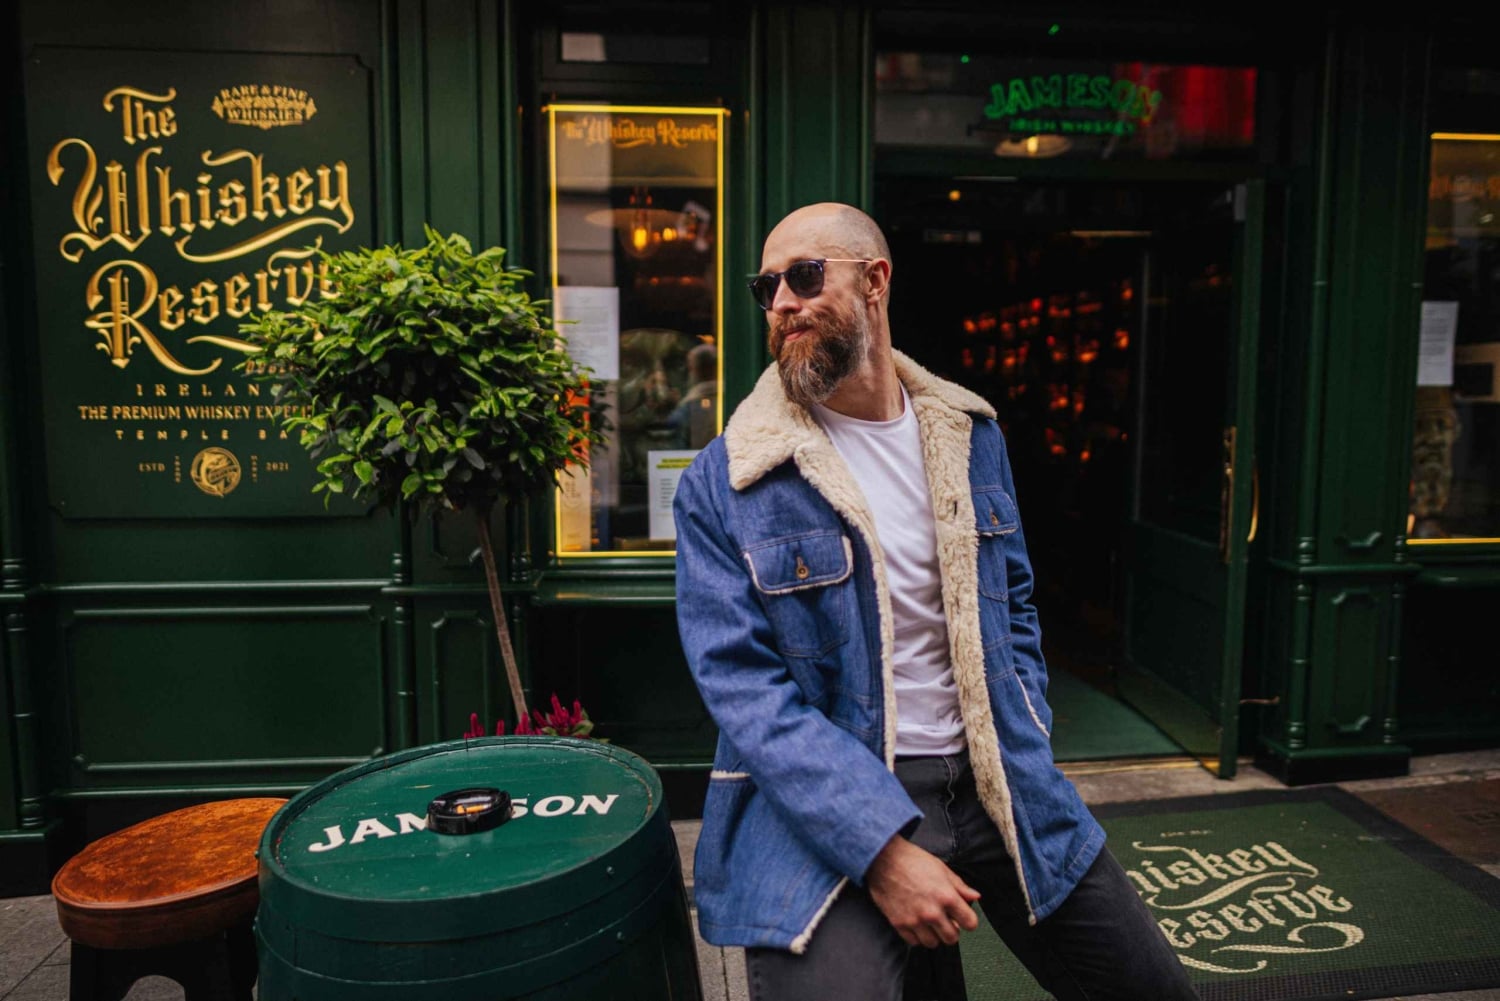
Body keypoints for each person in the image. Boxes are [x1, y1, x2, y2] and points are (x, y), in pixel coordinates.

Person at [671, 202, 1200, 1001]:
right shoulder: (728, 480)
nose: (780, 302)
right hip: (838, 793)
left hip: (997, 780)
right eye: (766, 286)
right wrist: (881, 850)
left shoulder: (970, 434)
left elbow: (1013, 603)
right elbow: (745, 691)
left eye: (804, 277)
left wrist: (1026, 728)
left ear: (874, 281)